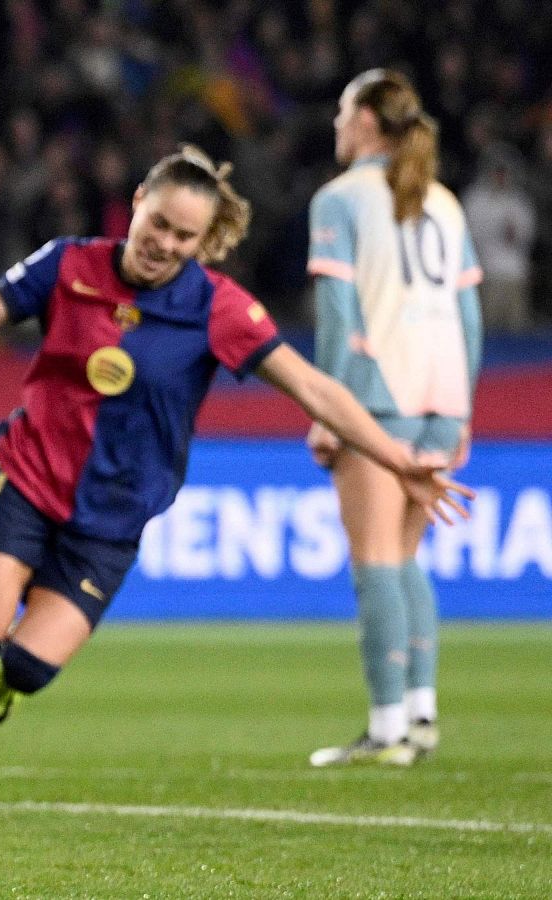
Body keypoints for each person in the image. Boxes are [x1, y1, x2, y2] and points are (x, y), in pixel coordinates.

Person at [0, 145, 471, 817]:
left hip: (112, 518)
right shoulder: (70, 263)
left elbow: (315, 389)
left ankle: (11, 680)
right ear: (135, 204)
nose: (164, 242)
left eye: (184, 235)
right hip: (25, 477)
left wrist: (395, 457)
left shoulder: (219, 309)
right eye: (158, 223)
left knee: (25, 669)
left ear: (203, 241)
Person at [304, 70, 483, 766]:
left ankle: (385, 729)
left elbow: (340, 315)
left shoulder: (340, 199)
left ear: (370, 121)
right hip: (442, 397)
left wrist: (329, 409)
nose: (337, 122)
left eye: (345, 109)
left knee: (374, 558)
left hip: (378, 396)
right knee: (406, 557)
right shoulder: (443, 201)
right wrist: (463, 408)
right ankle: (421, 714)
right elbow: (467, 317)